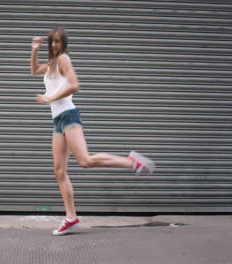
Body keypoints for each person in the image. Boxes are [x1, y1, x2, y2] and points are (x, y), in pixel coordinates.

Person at [30, 27, 156, 236]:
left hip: (69, 116)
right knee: (59, 171)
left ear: (64, 44)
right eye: (52, 41)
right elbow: (34, 70)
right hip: (57, 121)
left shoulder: (64, 60)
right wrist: (34, 49)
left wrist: (49, 98)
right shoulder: (52, 64)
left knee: (85, 161)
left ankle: (132, 162)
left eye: (58, 42)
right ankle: (71, 218)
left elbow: (75, 85)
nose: (54, 45)